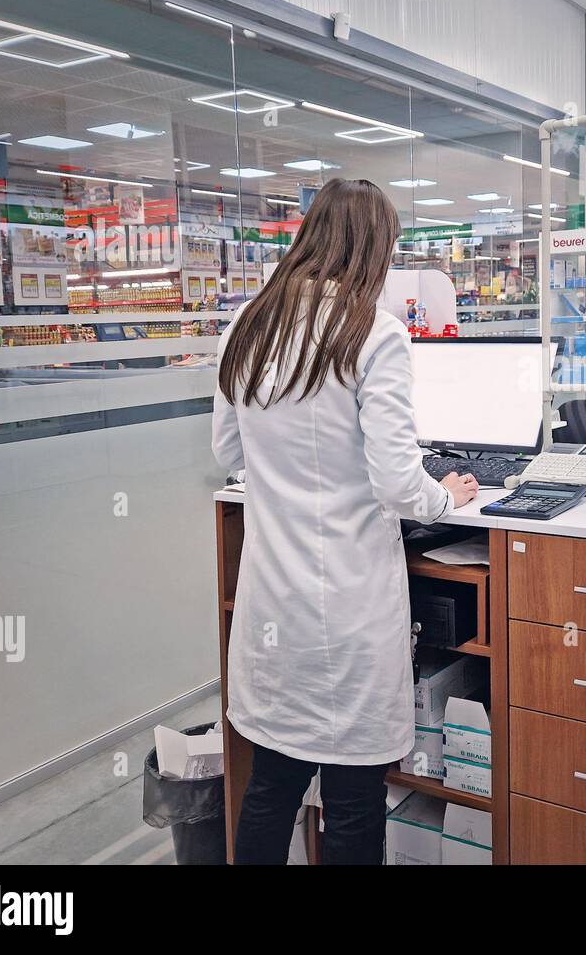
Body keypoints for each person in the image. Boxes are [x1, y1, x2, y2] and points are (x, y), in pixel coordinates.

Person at [211, 178, 479, 864]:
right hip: (350, 613)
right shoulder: (374, 334)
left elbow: (227, 453)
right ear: (373, 250)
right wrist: (446, 495)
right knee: (355, 800)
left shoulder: (247, 325)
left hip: (274, 609)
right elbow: (397, 481)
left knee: (272, 784)